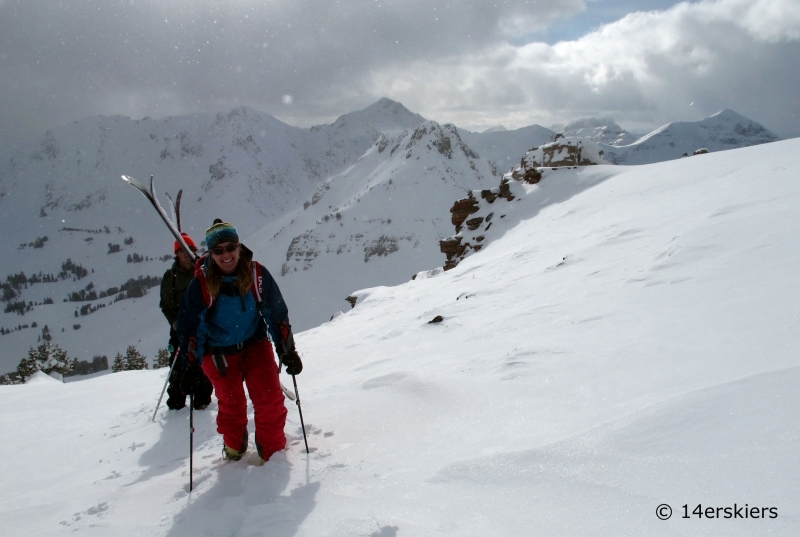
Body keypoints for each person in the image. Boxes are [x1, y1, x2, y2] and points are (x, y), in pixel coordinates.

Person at [176, 220, 303, 464]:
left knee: (270, 400)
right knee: (232, 405)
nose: (226, 255)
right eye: (218, 250)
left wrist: (287, 352)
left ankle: (272, 455)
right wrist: (189, 365)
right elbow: (192, 329)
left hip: (255, 344)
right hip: (217, 353)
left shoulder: (256, 275)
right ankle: (234, 452)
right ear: (211, 254)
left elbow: (276, 315)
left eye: (230, 247)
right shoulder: (201, 284)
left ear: (238, 245)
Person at [159, 232, 213, 410]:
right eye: (185, 250)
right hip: (180, 328)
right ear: (177, 254)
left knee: (204, 361)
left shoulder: (202, 270)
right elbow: (166, 304)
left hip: (202, 326)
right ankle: (176, 400)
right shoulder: (171, 277)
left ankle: (202, 399)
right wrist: (175, 321)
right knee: (178, 364)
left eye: (192, 249)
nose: (189, 254)